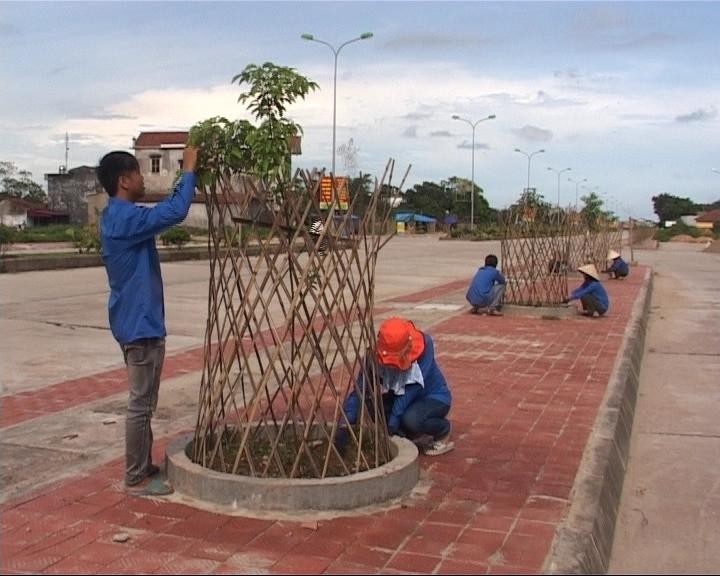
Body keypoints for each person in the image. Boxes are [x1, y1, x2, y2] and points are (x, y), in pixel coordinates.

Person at [97, 146, 198, 496]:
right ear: (124, 181)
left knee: (145, 402)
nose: (142, 178)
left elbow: (164, 210)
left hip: (135, 320)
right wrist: (189, 170)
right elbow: (176, 211)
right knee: (140, 403)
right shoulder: (126, 219)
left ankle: (142, 464)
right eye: (138, 173)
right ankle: (135, 475)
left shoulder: (119, 217)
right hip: (140, 325)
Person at [339, 317, 454, 456]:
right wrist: (346, 422)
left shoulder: (423, 353)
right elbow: (360, 389)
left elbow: (409, 393)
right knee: (371, 407)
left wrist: (392, 425)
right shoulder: (373, 357)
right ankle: (408, 432)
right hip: (402, 398)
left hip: (433, 398)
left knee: (410, 420)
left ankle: (443, 430)